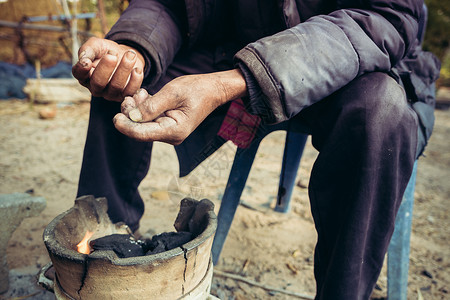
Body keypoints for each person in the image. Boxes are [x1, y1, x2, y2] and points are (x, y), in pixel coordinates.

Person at [72, 0, 440, 298]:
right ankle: (104, 255)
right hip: (241, 52)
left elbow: (387, 19)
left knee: (380, 113)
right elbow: (177, 6)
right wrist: (132, 51)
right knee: (121, 82)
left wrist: (233, 82)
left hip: (356, 66)